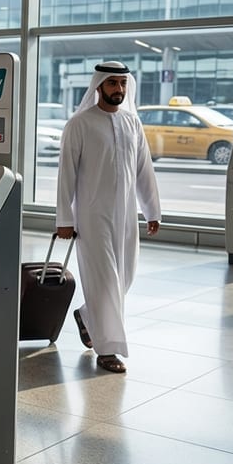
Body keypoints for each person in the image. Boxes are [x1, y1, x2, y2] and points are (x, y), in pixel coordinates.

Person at [56, 61, 161, 374]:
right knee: (104, 282)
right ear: (99, 85)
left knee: (124, 277)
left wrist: (151, 210)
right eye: (112, 83)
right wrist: (64, 218)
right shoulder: (80, 124)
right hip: (91, 214)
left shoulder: (132, 123)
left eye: (122, 83)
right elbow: (66, 174)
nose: (118, 89)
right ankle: (108, 350)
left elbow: (144, 169)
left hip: (126, 214)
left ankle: (87, 316)